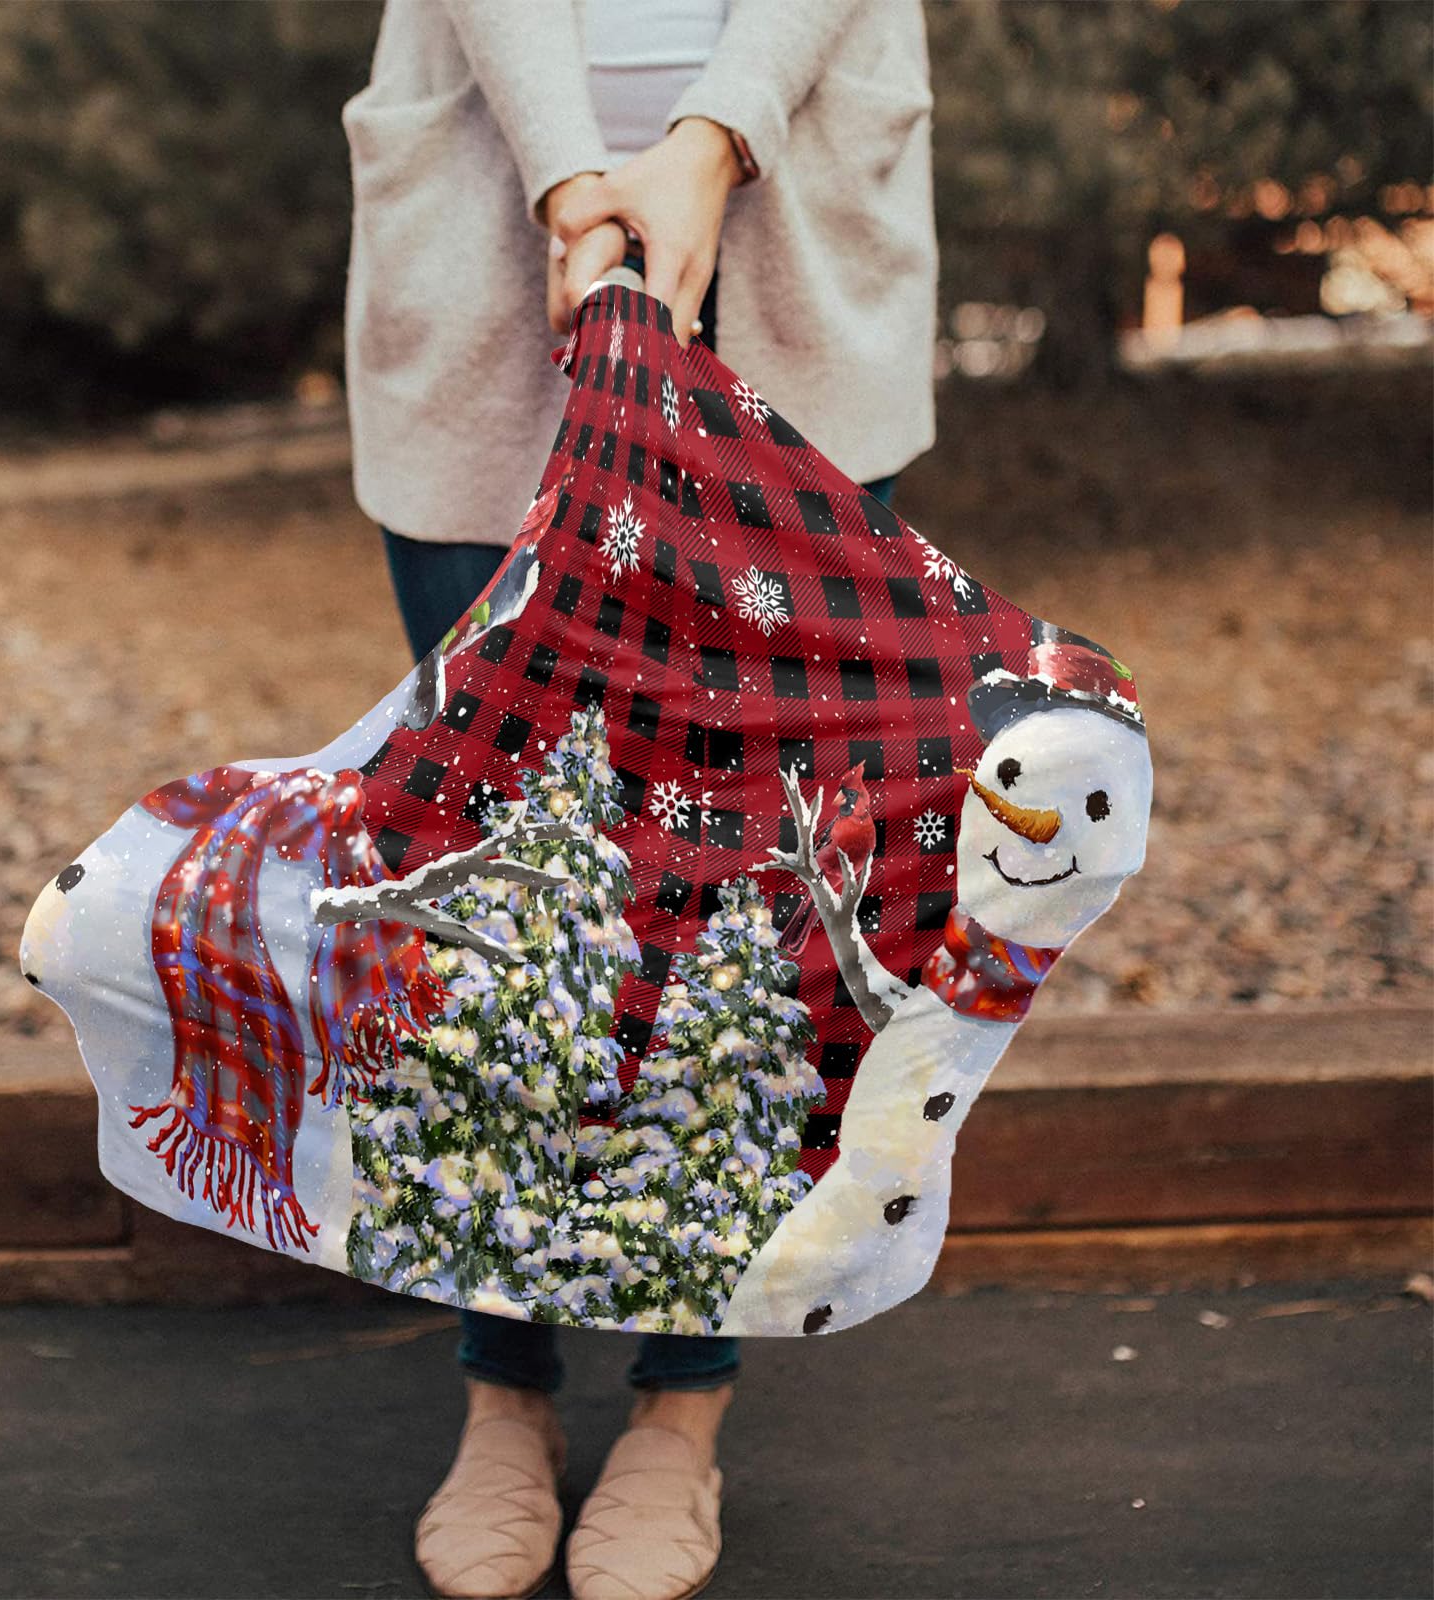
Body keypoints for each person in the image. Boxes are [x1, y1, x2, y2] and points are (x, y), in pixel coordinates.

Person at [340, 4, 936, 1596]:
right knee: (494, 882)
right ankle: (504, 1388)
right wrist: (568, 180)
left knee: (743, 891)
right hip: (489, 223)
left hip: (792, 229)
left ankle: (683, 1405)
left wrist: (711, 136)